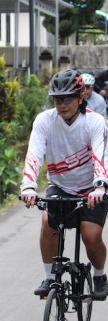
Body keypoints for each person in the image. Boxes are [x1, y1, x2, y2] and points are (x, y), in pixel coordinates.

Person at [20, 69, 108, 300]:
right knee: (47, 223)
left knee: (90, 236)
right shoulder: (44, 121)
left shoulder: (95, 122)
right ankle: (50, 277)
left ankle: (99, 274)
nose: (62, 104)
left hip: (92, 188)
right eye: (57, 99)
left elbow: (100, 155)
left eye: (67, 98)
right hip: (60, 186)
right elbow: (34, 155)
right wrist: (28, 186)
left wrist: (100, 186)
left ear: (81, 98)